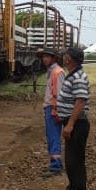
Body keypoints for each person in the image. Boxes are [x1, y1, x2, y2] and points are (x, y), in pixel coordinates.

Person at [57, 46, 90, 190]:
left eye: (65, 55)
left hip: (77, 123)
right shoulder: (72, 75)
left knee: (75, 161)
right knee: (71, 160)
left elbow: (80, 101)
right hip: (73, 123)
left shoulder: (78, 77)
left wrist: (70, 124)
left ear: (69, 59)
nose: (63, 57)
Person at [40, 47, 65, 176]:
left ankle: (55, 167)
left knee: (53, 136)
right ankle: (56, 164)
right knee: (51, 137)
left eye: (47, 56)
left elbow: (60, 94)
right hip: (50, 107)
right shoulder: (52, 71)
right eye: (43, 56)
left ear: (53, 58)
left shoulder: (57, 72)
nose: (44, 59)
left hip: (53, 108)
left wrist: (56, 111)